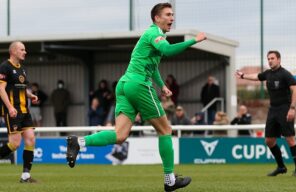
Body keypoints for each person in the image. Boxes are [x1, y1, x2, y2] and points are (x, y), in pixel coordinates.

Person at [66, 3, 207, 191]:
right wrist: (194, 40)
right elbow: (168, 51)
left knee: (120, 135)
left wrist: (162, 85)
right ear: (157, 18)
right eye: (168, 14)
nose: (172, 18)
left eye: (173, 14)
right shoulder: (153, 34)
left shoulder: (155, 36)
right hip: (138, 85)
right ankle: (169, 179)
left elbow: (153, 66)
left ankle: (79, 142)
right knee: (165, 130)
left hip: (124, 85)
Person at [235, 50, 296, 177]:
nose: (270, 60)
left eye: (272, 58)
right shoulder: (268, 74)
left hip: (285, 109)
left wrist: (292, 108)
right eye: (268, 58)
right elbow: (257, 76)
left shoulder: (285, 74)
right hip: (273, 110)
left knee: (290, 139)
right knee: (269, 141)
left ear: (279, 60)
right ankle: (281, 167)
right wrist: (243, 76)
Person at [0, 41, 38, 183]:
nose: (25, 52)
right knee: (15, 144)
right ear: (14, 51)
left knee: (31, 139)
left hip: (24, 111)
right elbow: (1, 89)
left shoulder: (22, 68)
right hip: (13, 111)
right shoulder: (5, 67)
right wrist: (10, 107)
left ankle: (25, 176)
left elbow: (21, 87)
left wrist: (31, 95)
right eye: (22, 49)